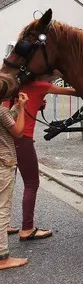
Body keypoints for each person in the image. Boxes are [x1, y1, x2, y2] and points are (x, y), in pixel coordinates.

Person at [5, 74, 77, 241]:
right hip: (23, 139)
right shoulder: (40, 86)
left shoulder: (11, 85)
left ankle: (4, 224)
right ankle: (27, 228)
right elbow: (74, 92)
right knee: (31, 183)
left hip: (4, 138)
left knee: (7, 181)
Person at [0, 87, 28, 270]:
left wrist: (16, 107)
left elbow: (5, 122)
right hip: (4, 163)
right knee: (3, 210)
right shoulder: (0, 110)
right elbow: (17, 131)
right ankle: (2, 257)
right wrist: (23, 108)